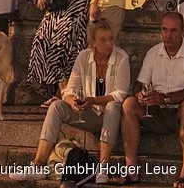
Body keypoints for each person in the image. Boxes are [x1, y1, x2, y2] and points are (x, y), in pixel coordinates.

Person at [18, 19, 130, 185]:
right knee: (56, 106)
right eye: (103, 40)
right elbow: (70, 90)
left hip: (111, 116)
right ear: (92, 42)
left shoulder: (121, 57)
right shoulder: (83, 56)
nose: (109, 44)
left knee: (113, 105)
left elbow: (121, 94)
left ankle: (103, 167)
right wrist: (72, 102)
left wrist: (92, 100)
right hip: (88, 113)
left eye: (111, 39)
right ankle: (38, 165)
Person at [121, 11, 184, 188]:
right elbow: (139, 84)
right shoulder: (153, 53)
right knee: (129, 104)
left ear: (183, 31)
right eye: (164, 30)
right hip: (158, 111)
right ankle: (131, 169)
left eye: (173, 31)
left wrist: (166, 99)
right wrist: (140, 95)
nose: (168, 35)